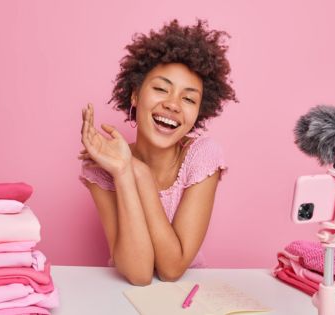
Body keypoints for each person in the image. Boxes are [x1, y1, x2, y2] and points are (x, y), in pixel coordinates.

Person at [78, 19, 237, 286]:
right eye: (161, 89)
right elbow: (139, 275)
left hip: (188, 294)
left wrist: (137, 171)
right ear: (135, 96)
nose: (173, 105)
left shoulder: (203, 156)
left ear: (199, 111)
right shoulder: (102, 167)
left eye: (188, 99)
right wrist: (123, 172)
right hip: (119, 295)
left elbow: (172, 269)